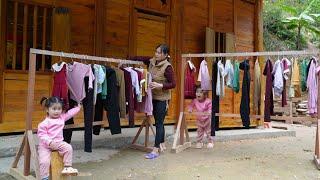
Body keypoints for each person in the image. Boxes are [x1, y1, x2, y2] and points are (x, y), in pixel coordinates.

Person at [37, 96, 81, 180]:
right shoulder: (44, 123)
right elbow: (42, 136)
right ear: (47, 109)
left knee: (68, 148)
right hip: (46, 146)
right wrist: (49, 142)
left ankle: (67, 167)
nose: (57, 111)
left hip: (58, 143)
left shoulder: (62, 118)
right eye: (54, 109)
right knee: (44, 161)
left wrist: (78, 108)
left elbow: (70, 113)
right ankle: (44, 177)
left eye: (59, 109)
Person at [145, 44, 176, 159]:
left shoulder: (167, 67)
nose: (156, 54)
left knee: (158, 123)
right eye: (156, 51)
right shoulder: (152, 62)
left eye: (159, 52)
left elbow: (173, 84)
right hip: (152, 97)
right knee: (159, 122)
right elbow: (140, 58)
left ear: (165, 55)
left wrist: (160, 85)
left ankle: (155, 149)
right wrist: (125, 60)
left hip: (162, 99)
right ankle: (162, 143)